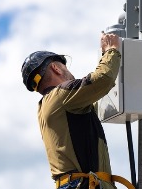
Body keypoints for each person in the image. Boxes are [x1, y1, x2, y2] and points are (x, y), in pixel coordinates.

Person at [21, 33, 122, 189]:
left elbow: (94, 99)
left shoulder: (46, 106)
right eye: (64, 66)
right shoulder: (61, 95)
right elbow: (103, 79)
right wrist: (111, 50)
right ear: (56, 68)